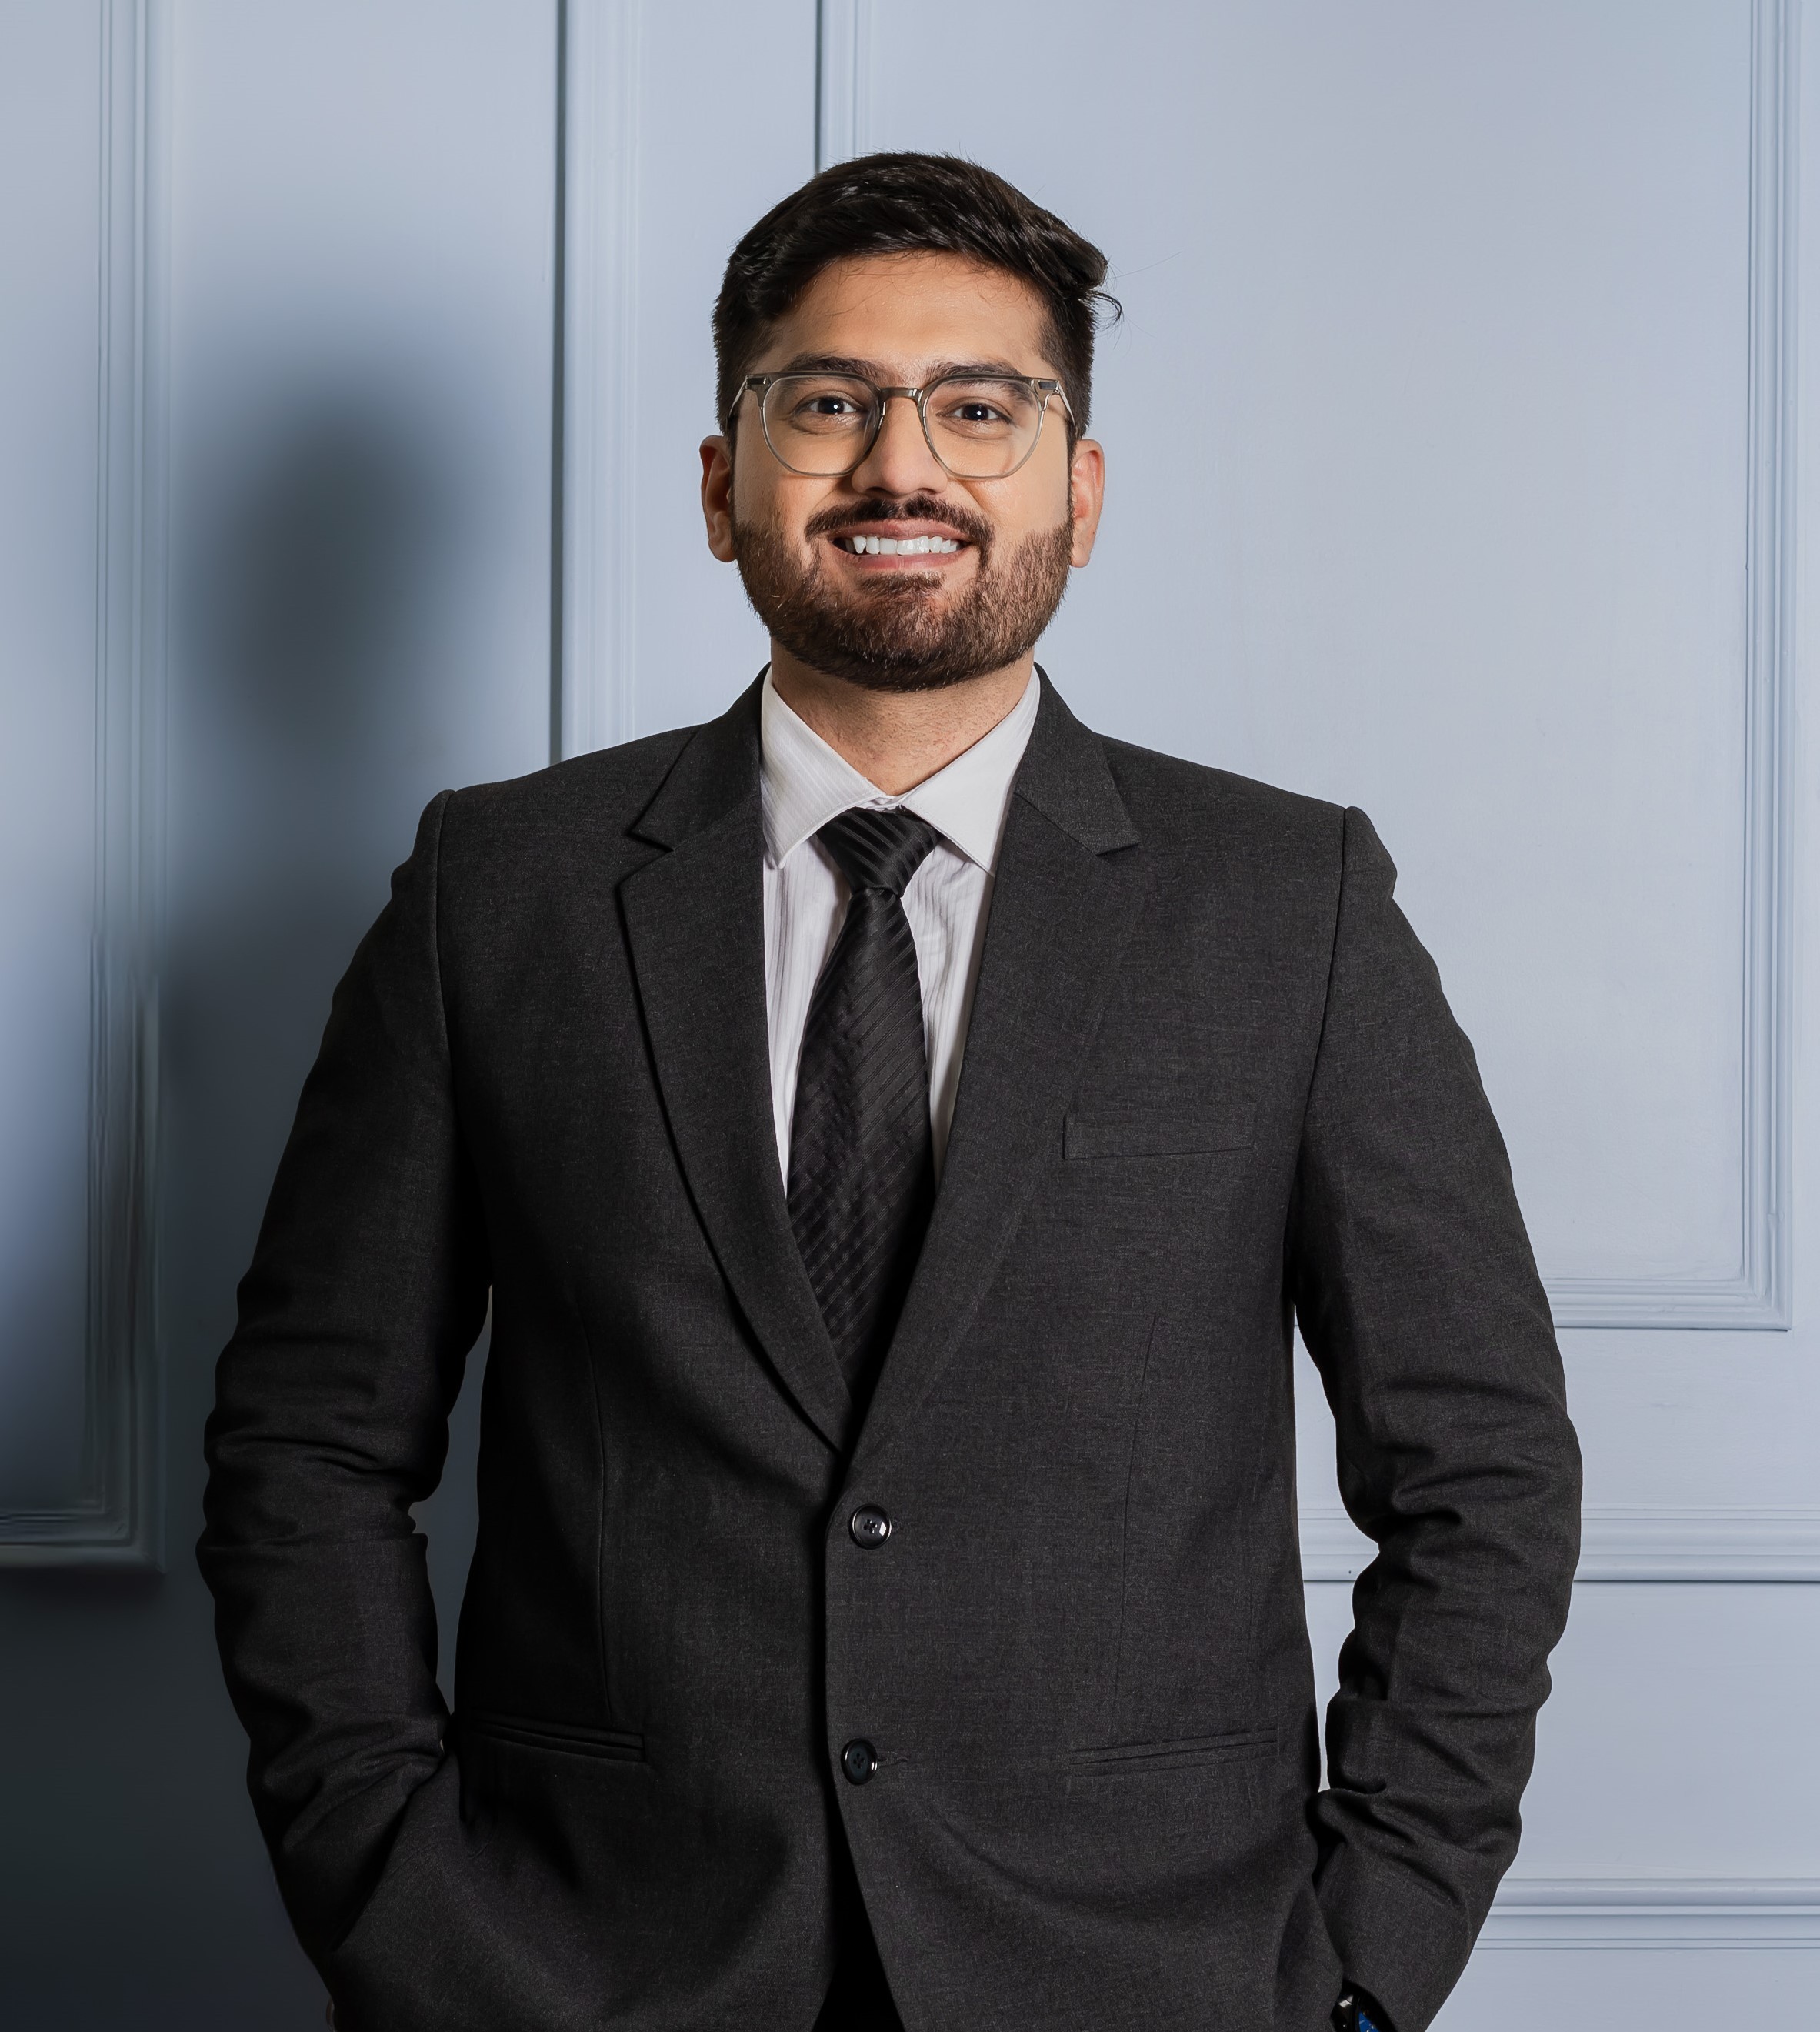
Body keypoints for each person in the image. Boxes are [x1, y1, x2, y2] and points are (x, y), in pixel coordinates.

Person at [199, 152, 1581, 2032]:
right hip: (590, 1967)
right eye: (829, 401)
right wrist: (406, 1912)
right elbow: (309, 1441)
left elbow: (1479, 1462)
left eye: (981, 410)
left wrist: (1363, 1964)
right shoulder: (494, 892)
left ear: (1077, 493)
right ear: (722, 481)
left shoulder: (1288, 904)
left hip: (1152, 1975)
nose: (901, 466)